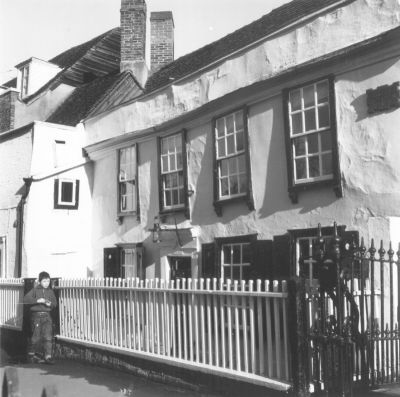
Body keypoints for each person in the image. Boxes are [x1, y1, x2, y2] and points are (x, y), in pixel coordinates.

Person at [23, 271, 57, 364]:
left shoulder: (50, 291)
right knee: (35, 336)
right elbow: (25, 300)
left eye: (48, 281)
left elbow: (54, 303)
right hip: (36, 316)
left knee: (48, 336)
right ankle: (31, 355)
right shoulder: (34, 290)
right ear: (40, 281)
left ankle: (48, 356)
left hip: (47, 316)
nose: (47, 283)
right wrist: (37, 300)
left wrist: (50, 304)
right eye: (44, 281)